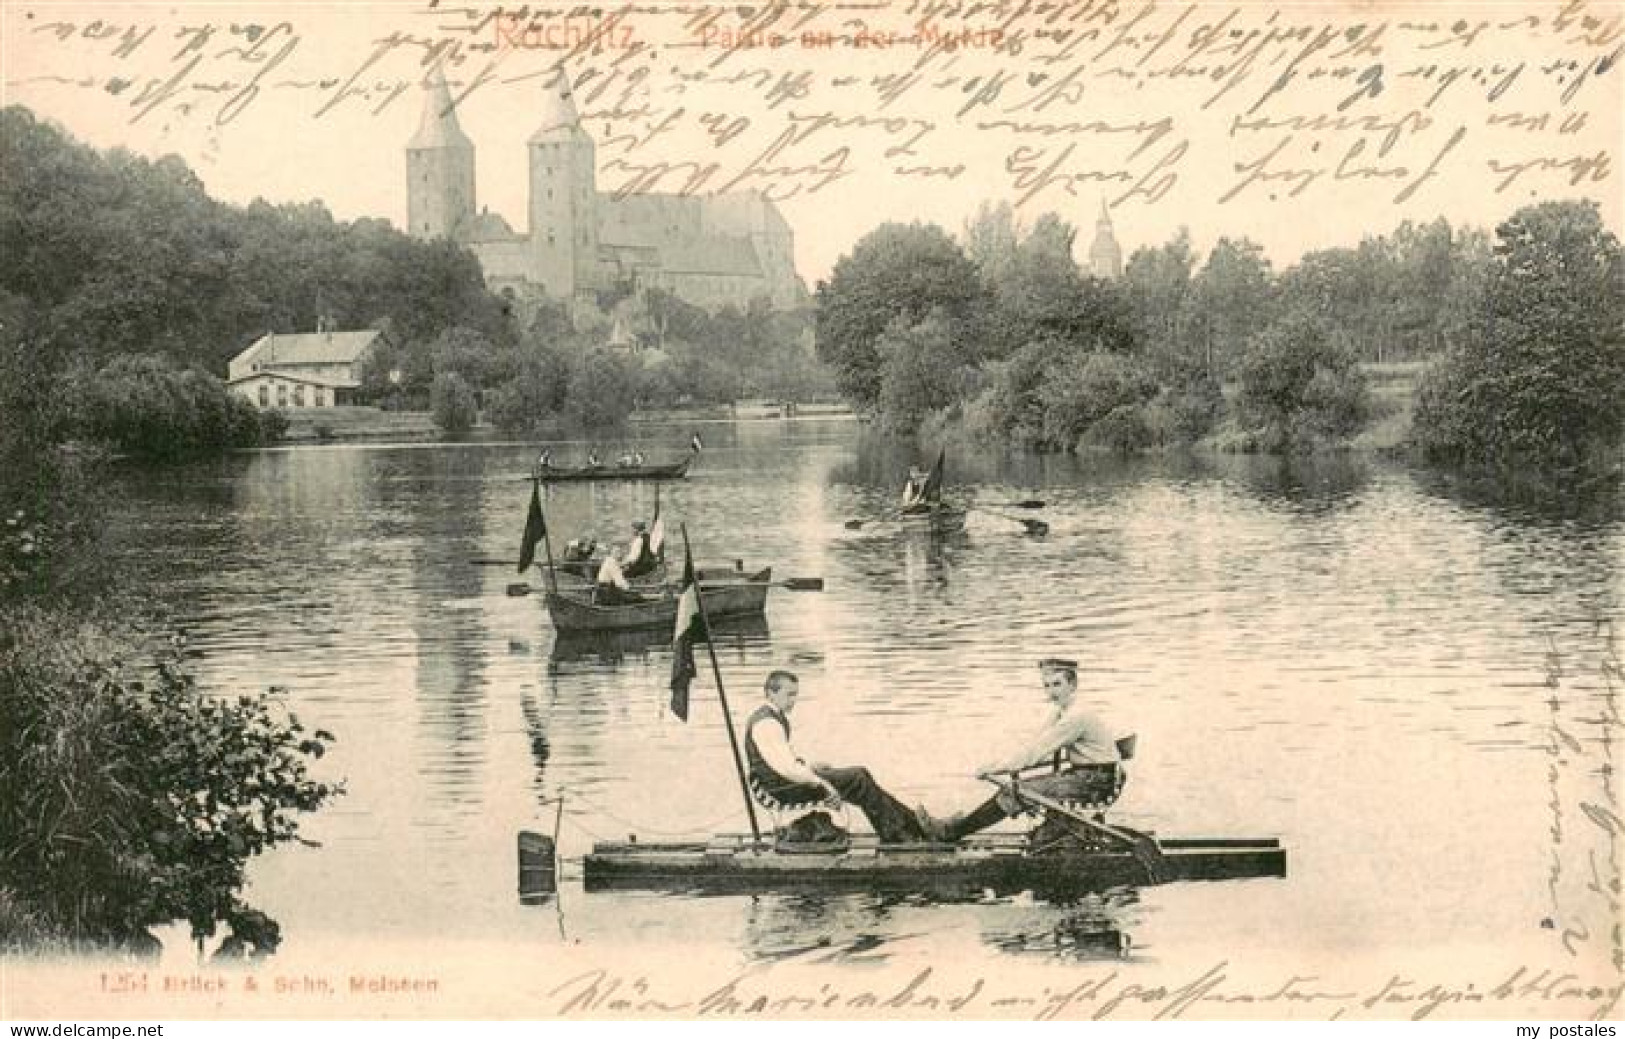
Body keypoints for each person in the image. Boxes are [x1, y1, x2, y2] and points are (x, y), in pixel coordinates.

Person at [919, 658, 1127, 843]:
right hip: (1088, 775)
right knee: (1018, 789)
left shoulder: (1076, 716)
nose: (1051, 692)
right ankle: (958, 826)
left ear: (1073, 685)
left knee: (1014, 792)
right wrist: (1007, 764)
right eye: (1046, 686)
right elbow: (1035, 745)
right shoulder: (1062, 711)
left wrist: (994, 769)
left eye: (1057, 684)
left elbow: (1034, 752)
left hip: (1096, 781)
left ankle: (951, 832)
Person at [745, 670, 930, 844]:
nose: (793, 701)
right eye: (789, 695)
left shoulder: (772, 717)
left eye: (795, 695)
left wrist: (811, 768)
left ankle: (910, 826)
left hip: (783, 783)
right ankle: (902, 832)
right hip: (781, 789)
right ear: (770, 693)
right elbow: (786, 768)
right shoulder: (767, 723)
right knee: (858, 778)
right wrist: (821, 783)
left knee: (858, 777)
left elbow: (784, 763)